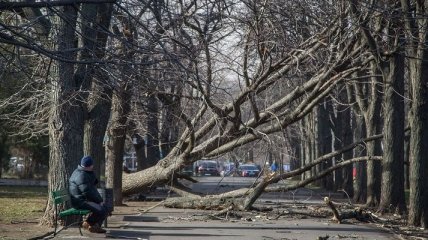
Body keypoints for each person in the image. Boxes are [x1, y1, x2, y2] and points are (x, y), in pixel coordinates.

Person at [69, 156, 108, 233]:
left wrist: (99, 200)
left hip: (83, 199)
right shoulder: (81, 175)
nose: (93, 166)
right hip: (80, 202)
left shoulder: (84, 172)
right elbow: (87, 192)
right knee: (102, 210)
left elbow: (92, 189)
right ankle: (88, 223)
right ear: (89, 166)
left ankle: (95, 226)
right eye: (92, 165)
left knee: (105, 207)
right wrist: (99, 201)